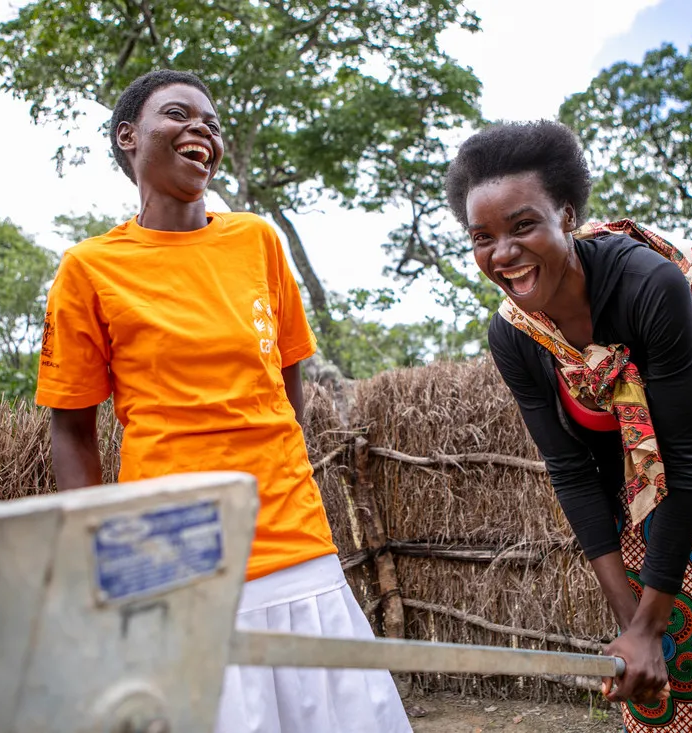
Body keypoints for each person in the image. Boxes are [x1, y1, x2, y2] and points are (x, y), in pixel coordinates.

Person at [35, 70, 411, 733]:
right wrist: (96, 560)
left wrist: (266, 463)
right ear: (128, 136)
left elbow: (286, 382)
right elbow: (72, 429)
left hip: (293, 537)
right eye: (178, 114)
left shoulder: (257, 241)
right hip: (170, 555)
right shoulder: (90, 269)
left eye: (210, 121)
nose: (201, 129)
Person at [446, 120, 692, 731]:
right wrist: (635, 625)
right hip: (632, 492)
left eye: (523, 225)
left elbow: (682, 459)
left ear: (567, 216)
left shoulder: (648, 286)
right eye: (482, 237)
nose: (502, 253)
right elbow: (571, 472)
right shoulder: (515, 336)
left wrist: (649, 624)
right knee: (658, 679)